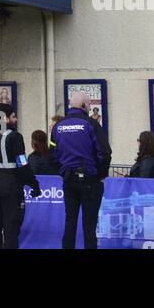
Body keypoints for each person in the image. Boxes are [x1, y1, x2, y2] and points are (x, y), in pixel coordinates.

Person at [52, 91, 112, 249]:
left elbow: (53, 152)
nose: (90, 108)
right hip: (90, 179)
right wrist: (101, 174)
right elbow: (105, 152)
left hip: (68, 179)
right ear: (84, 106)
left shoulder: (58, 126)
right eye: (89, 105)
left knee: (70, 221)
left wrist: (63, 170)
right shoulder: (91, 124)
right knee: (89, 224)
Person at [0, 104, 40, 250]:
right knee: (11, 230)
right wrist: (34, 184)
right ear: (4, 118)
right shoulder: (14, 137)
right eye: (13, 116)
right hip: (10, 190)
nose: (15, 119)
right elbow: (22, 165)